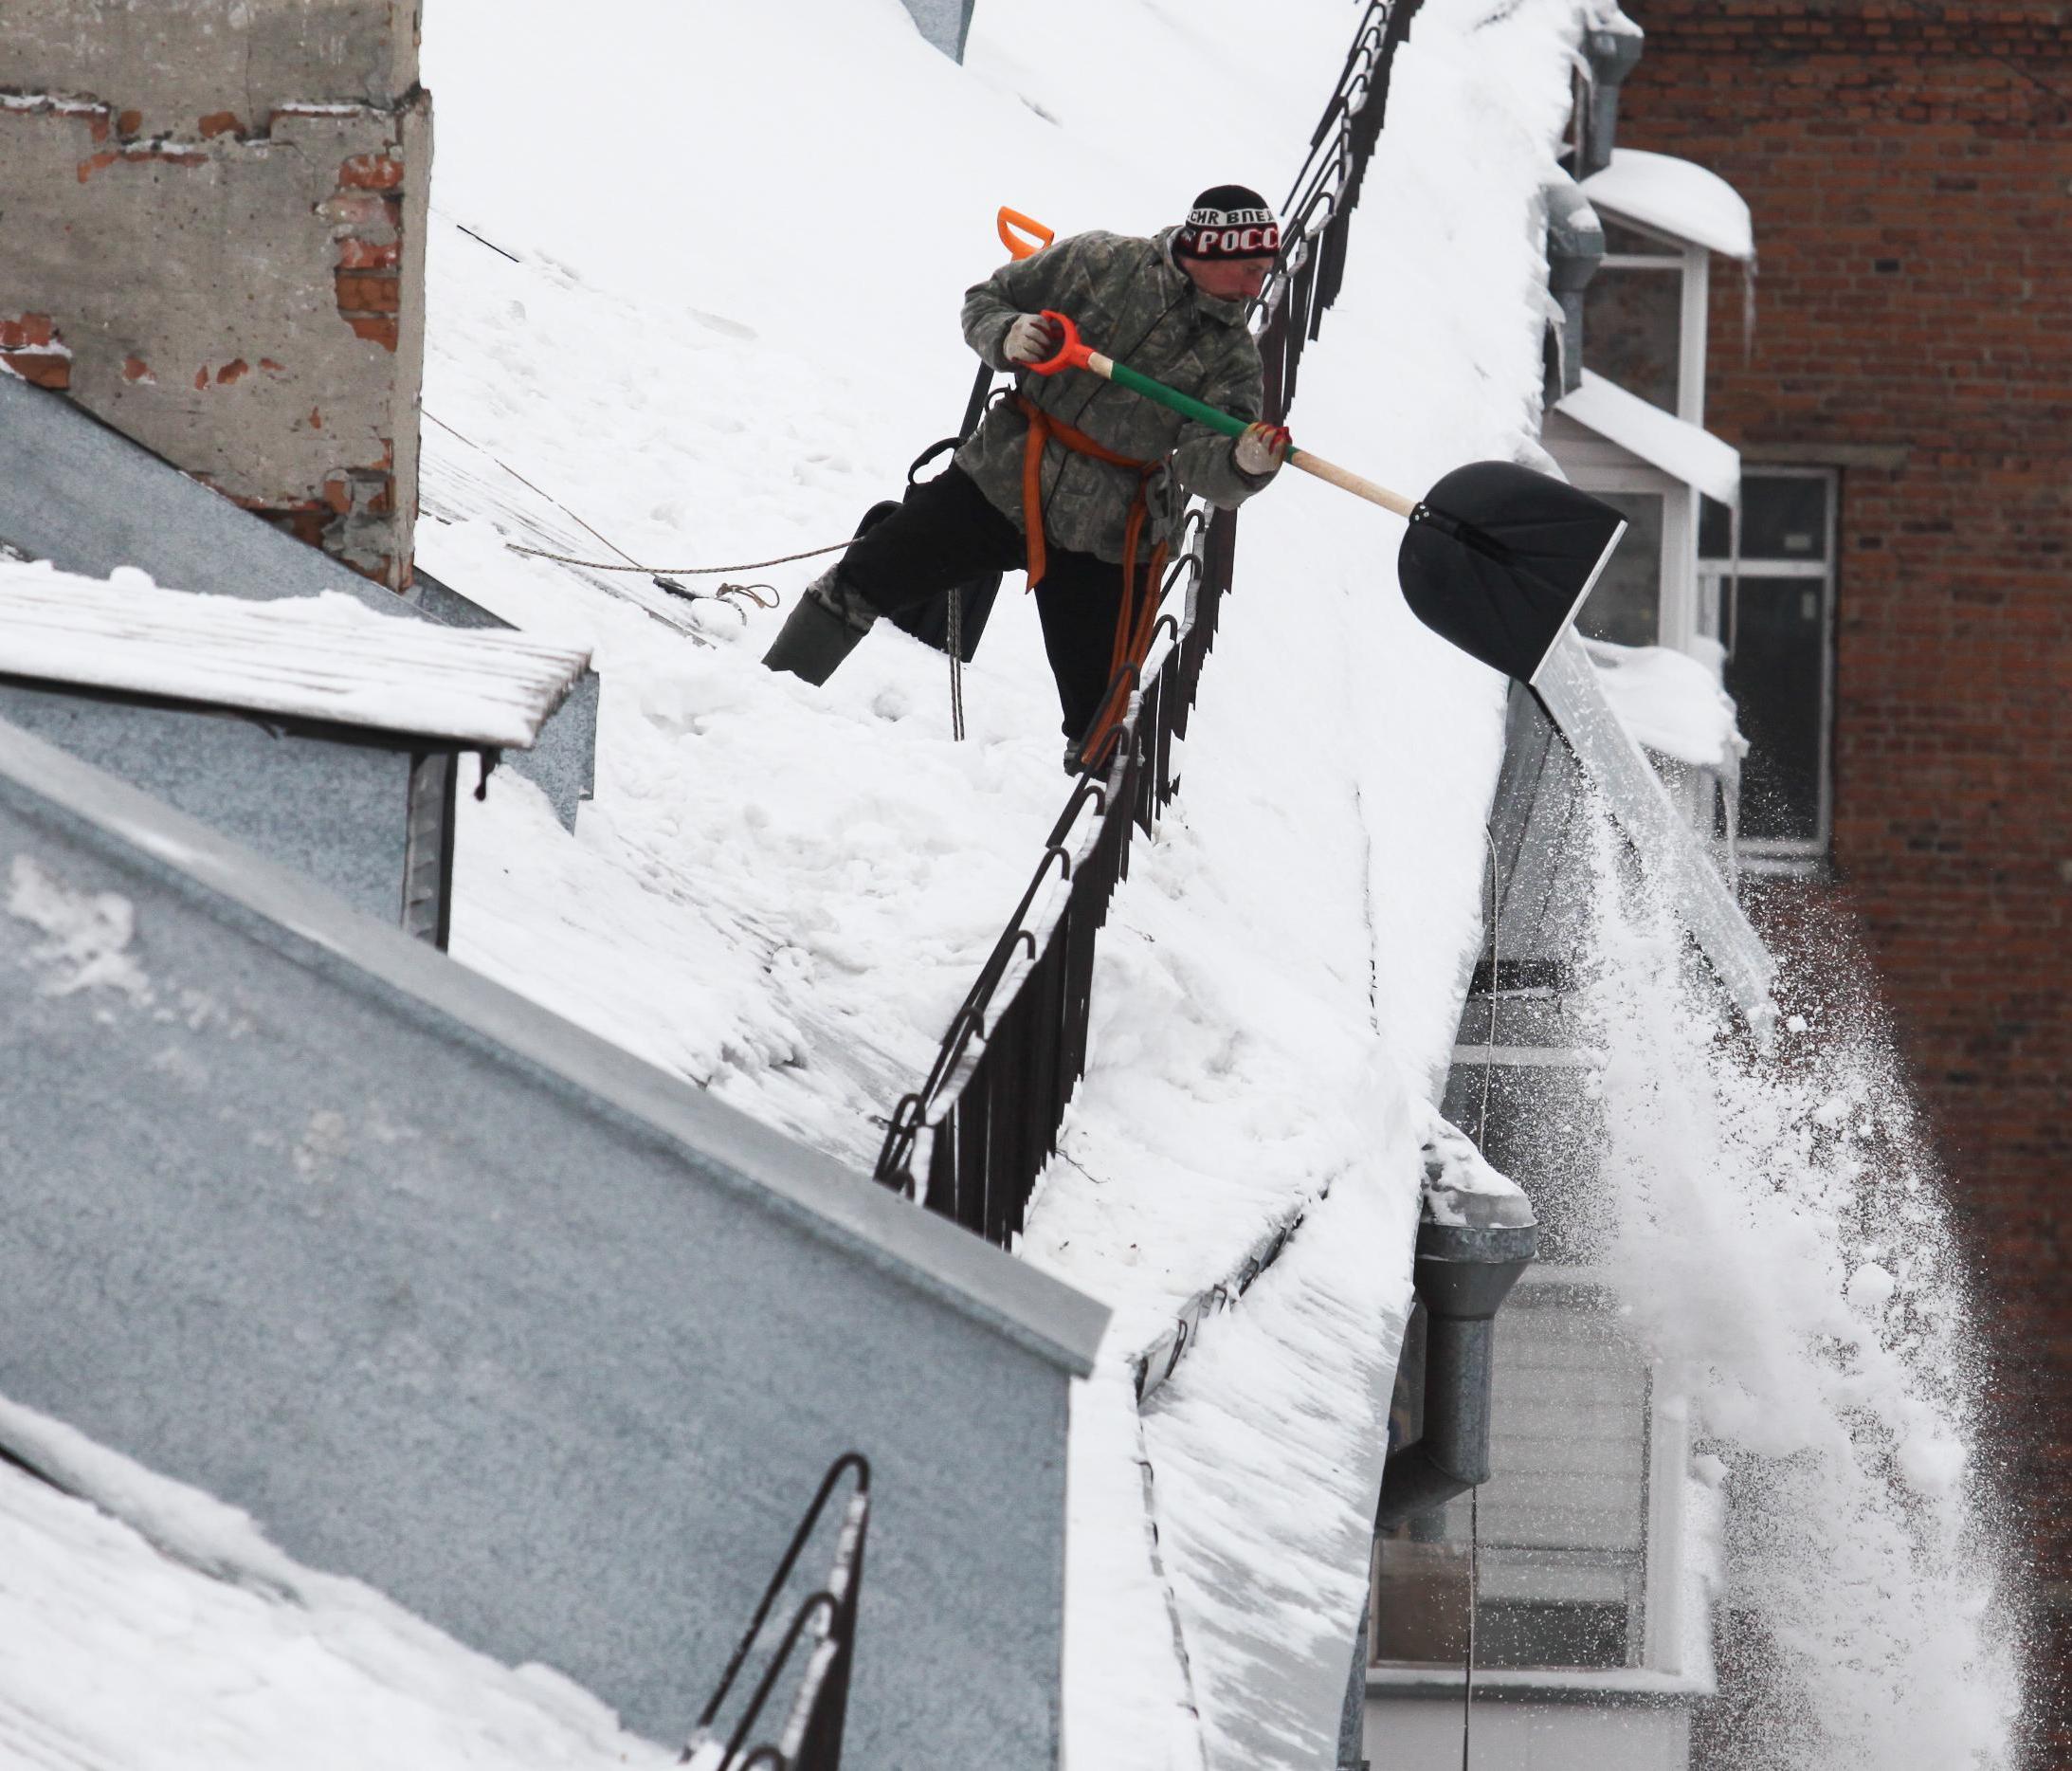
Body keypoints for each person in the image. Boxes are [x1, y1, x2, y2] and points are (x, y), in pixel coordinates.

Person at [762, 183, 1293, 769]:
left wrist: (1243, 464)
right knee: (861, 579)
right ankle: (760, 700)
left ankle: (1085, 833)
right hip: (1003, 479)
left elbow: (1204, 463)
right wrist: (1009, 335)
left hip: (1108, 533)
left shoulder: (1233, 358)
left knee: (1102, 713)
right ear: (1208, 251)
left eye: (1263, 271)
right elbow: (987, 301)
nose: (1255, 286)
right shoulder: (1099, 261)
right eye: (1248, 268)